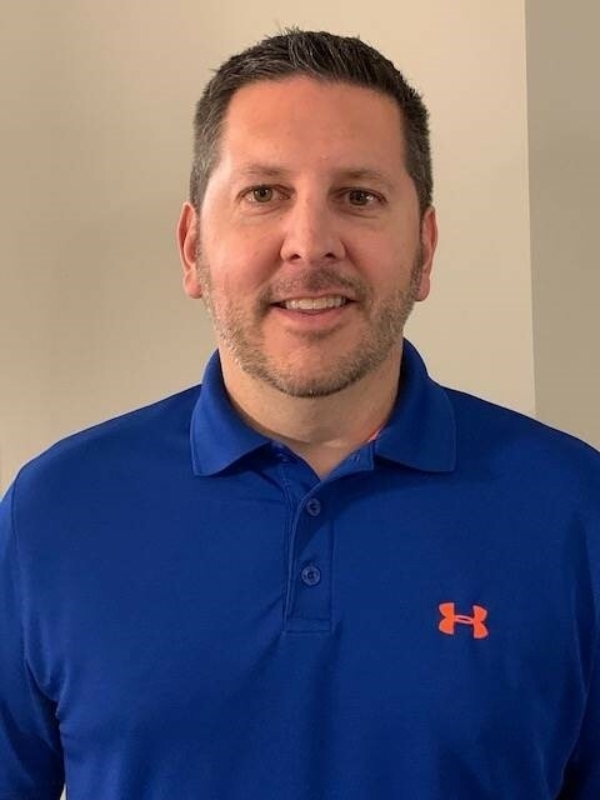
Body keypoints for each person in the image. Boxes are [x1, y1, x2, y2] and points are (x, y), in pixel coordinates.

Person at [1, 28, 599, 800]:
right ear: (191, 248)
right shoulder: (55, 512)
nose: (310, 244)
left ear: (424, 249)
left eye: (358, 196)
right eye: (264, 194)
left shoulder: (573, 511)